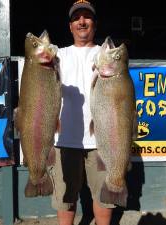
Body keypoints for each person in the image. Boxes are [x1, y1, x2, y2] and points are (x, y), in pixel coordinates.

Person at [48, 1, 115, 225]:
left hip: (102, 140)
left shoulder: (106, 54)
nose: (82, 22)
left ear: (95, 24)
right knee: (66, 198)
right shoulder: (59, 54)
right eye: (77, 18)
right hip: (65, 139)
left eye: (87, 17)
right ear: (70, 26)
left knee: (103, 197)